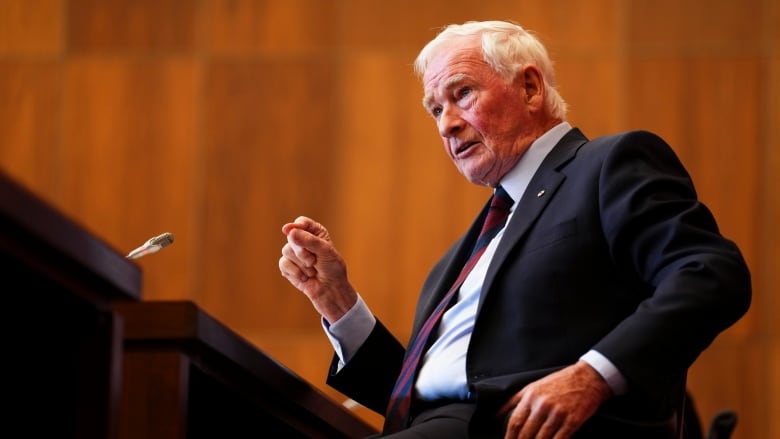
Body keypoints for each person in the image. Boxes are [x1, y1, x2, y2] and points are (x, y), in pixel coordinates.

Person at [278, 20, 751, 439]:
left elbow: (711, 273)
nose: (446, 125)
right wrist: (337, 303)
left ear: (529, 88)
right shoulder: (463, 253)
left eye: (461, 94)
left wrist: (593, 375)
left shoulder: (607, 166)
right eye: (434, 109)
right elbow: (411, 403)